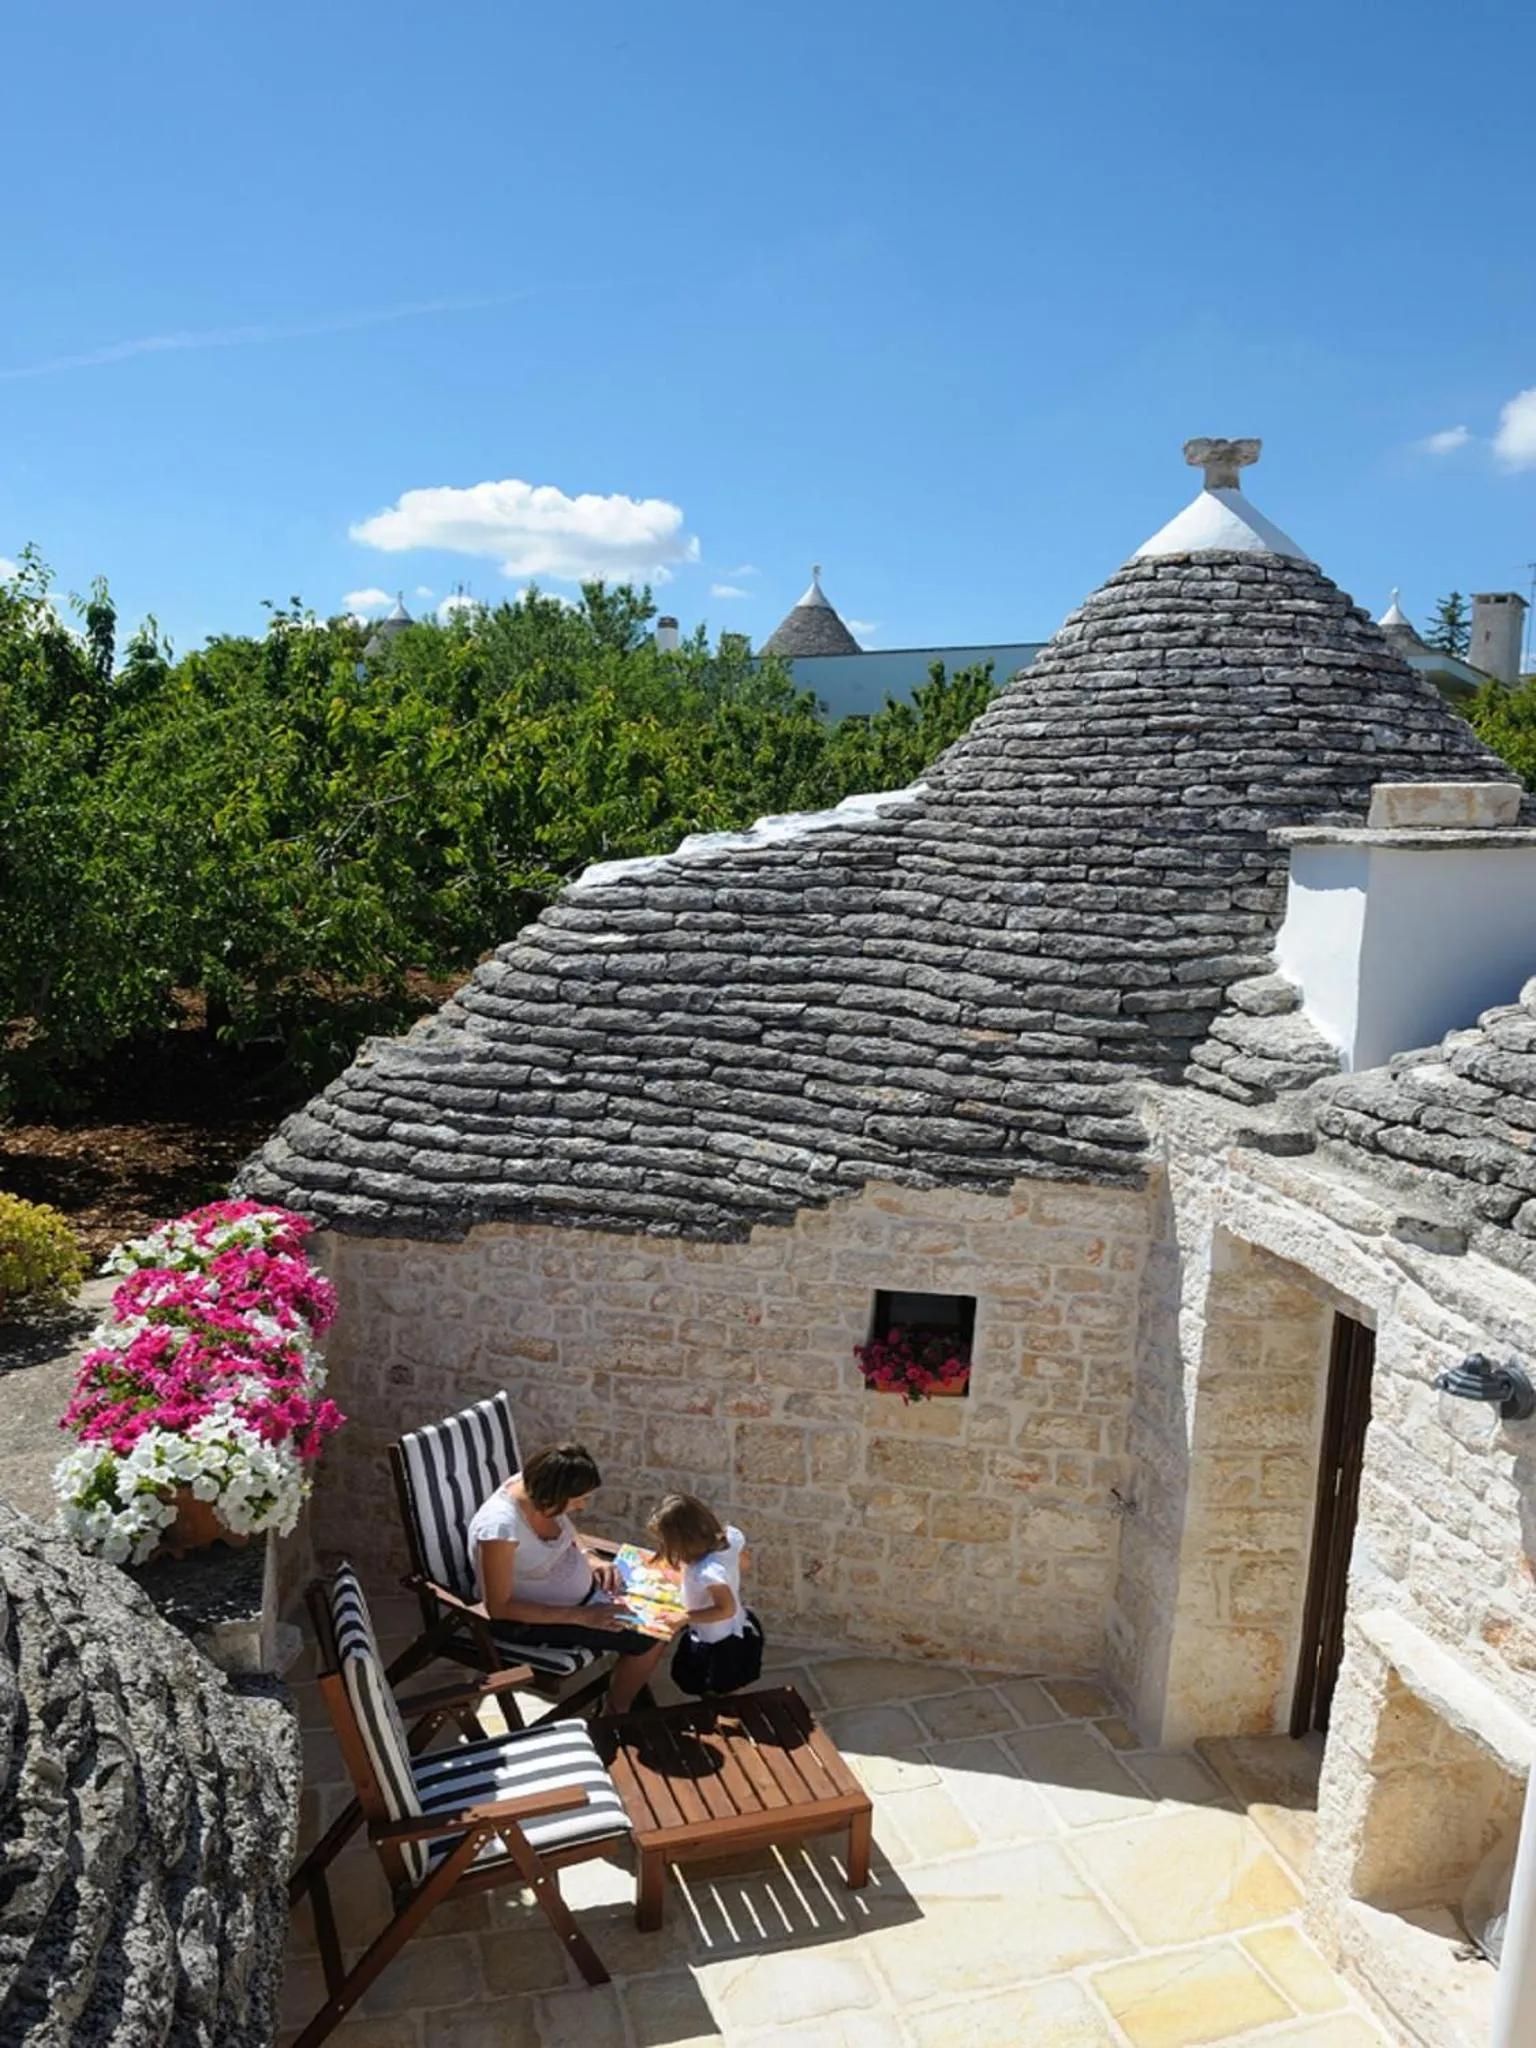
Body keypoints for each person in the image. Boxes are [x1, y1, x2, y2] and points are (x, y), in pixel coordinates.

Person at [467, 1441, 668, 1713]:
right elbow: (499, 1607)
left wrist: (589, 1556)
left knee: (668, 1594)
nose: (582, 1507)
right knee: (650, 1636)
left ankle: (619, 1698)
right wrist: (582, 1616)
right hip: (531, 1622)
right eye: (577, 1500)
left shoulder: (531, 1487)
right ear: (552, 1494)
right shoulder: (500, 1529)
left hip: (587, 1598)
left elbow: (565, 1527)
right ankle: (615, 1713)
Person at [649, 1492, 764, 1697]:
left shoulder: (707, 1572)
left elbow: (725, 1609)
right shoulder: (729, 1540)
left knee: (713, 1683)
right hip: (731, 1627)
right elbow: (745, 1563)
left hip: (718, 1640)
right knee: (718, 1683)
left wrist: (685, 1617)